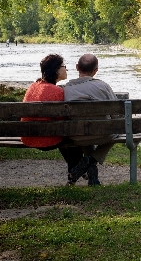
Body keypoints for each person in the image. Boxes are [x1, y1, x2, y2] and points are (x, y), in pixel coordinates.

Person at [20, 54, 86, 184]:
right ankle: (77, 170)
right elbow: (62, 119)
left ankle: (77, 169)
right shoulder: (57, 91)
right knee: (72, 134)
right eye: (63, 66)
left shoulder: (33, 87)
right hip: (45, 139)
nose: (66, 69)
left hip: (28, 136)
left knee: (62, 132)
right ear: (56, 70)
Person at [62, 53, 118, 186]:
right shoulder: (103, 86)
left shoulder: (66, 89)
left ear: (77, 67)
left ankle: (93, 178)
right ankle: (91, 159)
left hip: (77, 136)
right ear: (96, 70)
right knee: (117, 131)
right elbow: (117, 115)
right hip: (102, 135)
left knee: (86, 133)